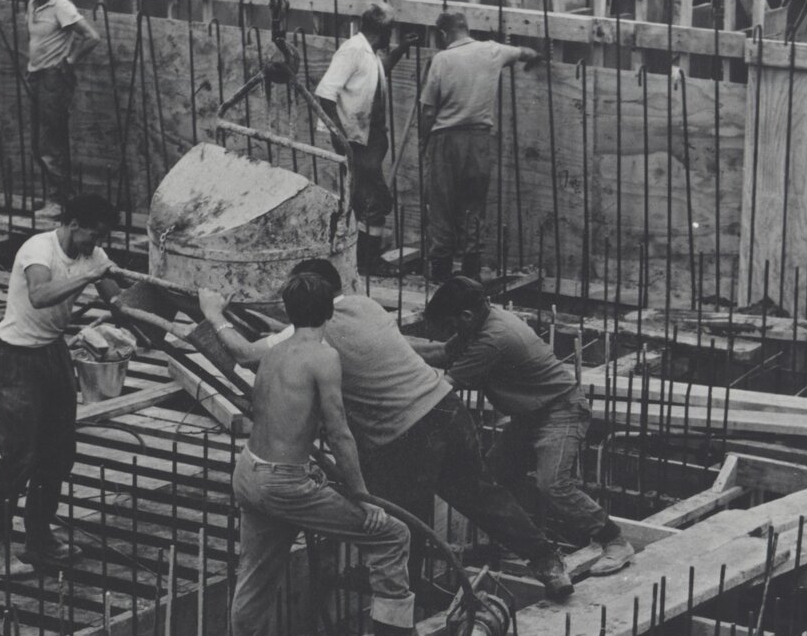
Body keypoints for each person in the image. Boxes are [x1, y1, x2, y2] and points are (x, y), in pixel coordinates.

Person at [201, 258, 574, 603]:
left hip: (400, 436)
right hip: (445, 409)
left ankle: (399, 620)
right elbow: (321, 334)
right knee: (482, 495)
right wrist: (277, 324)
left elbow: (247, 354)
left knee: (399, 527)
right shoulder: (366, 306)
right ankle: (549, 565)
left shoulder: (316, 338)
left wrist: (214, 315)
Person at [205, 270, 416, 636]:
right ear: (330, 311)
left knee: (256, 577)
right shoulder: (324, 357)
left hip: (250, 472)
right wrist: (362, 496)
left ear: (287, 310)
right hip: (284, 483)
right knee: (390, 533)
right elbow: (339, 433)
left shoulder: (273, 352)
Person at [417, 277, 633, 578]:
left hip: (561, 411)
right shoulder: (482, 321)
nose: (451, 331)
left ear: (465, 316)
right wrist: (392, 344)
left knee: (553, 485)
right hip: (531, 416)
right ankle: (520, 546)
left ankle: (615, 541)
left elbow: (442, 389)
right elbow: (442, 353)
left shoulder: (493, 339)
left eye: (451, 324)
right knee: (493, 477)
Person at [0, 194, 125, 573]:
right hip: (16, 358)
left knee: (58, 453)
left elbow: (120, 302)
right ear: (74, 223)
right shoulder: (38, 249)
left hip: (52, 353)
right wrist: (89, 275)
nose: (96, 245)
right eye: (92, 235)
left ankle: (38, 538)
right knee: (19, 457)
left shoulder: (92, 257)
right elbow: (40, 295)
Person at [417, 11, 541, 282]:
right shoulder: (493, 50)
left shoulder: (442, 59)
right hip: (479, 141)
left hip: (445, 141)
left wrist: (423, 141)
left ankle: (440, 272)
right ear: (465, 28)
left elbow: (428, 112)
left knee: (441, 206)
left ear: (443, 34)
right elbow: (527, 52)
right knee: (473, 207)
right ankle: (471, 272)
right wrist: (536, 58)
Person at [316, 4, 403, 276]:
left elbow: (378, 74)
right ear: (381, 30)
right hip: (355, 139)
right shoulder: (353, 50)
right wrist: (338, 134)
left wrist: (399, 52)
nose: (392, 36)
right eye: (390, 31)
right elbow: (325, 93)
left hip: (371, 137)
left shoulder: (371, 53)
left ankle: (360, 258)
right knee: (374, 197)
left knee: (362, 197)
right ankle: (368, 260)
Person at [23, 0, 101, 190]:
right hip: (36, 76)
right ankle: (53, 195)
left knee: (51, 142)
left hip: (53, 80)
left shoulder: (62, 7)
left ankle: (60, 199)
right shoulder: (32, 3)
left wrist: (70, 60)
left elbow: (92, 37)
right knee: (38, 142)